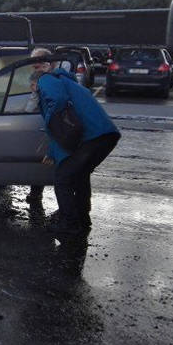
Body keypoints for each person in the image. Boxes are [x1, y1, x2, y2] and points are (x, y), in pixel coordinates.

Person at [37, 66, 121, 235]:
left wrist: (47, 118)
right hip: (106, 135)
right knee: (80, 176)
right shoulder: (68, 82)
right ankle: (83, 218)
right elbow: (62, 131)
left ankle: (70, 223)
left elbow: (58, 103)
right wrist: (52, 153)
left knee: (62, 179)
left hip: (92, 138)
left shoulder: (45, 80)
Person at [25, 47, 55, 205]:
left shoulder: (53, 80)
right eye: (33, 64)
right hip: (47, 124)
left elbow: (56, 107)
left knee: (57, 162)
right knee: (41, 158)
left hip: (58, 128)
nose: (34, 68)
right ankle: (36, 192)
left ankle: (69, 210)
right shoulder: (36, 78)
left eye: (37, 65)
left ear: (47, 64)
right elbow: (32, 100)